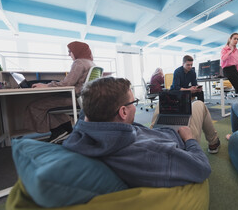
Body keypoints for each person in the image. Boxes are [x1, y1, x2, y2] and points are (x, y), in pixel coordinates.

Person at [63, 77, 212, 188]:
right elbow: (202, 168)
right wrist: (189, 139)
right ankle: (214, 142)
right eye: (133, 103)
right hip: (178, 139)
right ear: (123, 111)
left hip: (151, 134)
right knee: (198, 104)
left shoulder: (83, 130)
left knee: (162, 105)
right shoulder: (147, 154)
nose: (135, 106)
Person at [24, 41, 95, 142]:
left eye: (70, 51)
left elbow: (66, 84)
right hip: (84, 99)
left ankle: (58, 131)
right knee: (51, 105)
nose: (69, 54)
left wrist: (45, 85)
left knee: (35, 105)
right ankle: (65, 131)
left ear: (77, 50)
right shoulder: (91, 63)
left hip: (75, 99)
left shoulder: (79, 62)